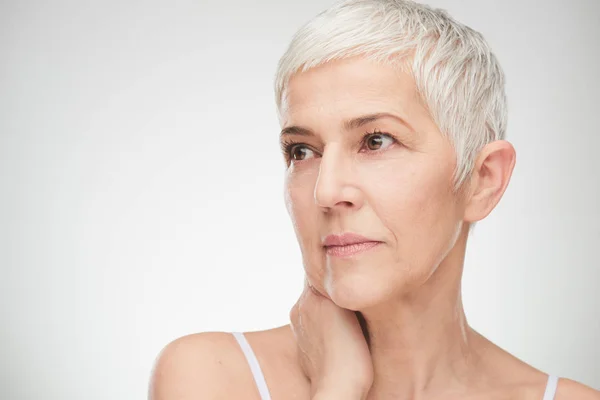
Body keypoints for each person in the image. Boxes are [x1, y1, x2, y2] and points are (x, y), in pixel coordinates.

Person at [148, 0, 600, 399]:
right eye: (301, 151)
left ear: (482, 180)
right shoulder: (213, 378)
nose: (326, 191)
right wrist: (337, 388)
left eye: (376, 141)